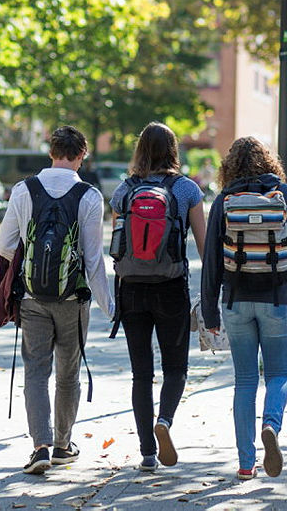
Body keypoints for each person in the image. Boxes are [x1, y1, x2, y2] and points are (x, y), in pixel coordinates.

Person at [0, 125, 114, 475]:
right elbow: (93, 261)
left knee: (35, 372)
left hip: (31, 297)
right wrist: (110, 307)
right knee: (68, 374)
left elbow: (4, 244)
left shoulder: (24, 189)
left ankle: (40, 447)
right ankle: (64, 444)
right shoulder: (89, 196)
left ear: (51, 152)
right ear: (82, 155)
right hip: (74, 300)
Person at [200, 137, 287, 480]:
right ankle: (271, 424)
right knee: (279, 374)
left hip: (236, 301)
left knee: (245, 380)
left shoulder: (223, 200)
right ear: (269, 162)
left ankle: (245, 463)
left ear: (229, 166)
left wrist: (210, 314)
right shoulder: (286, 194)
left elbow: (210, 263)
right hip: (278, 298)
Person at [109, 122, 207, 472]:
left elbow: (119, 243)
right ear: (173, 150)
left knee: (141, 374)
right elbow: (204, 246)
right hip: (171, 286)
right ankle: (164, 420)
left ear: (140, 150)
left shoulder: (124, 190)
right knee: (176, 368)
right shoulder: (186, 190)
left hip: (132, 287)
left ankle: (147, 453)